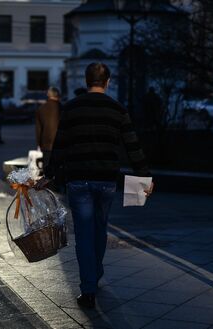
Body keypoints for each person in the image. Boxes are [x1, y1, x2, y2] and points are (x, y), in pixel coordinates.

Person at [36, 63, 154, 309]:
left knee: (84, 235)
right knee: (100, 229)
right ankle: (96, 273)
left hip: (78, 180)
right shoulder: (118, 109)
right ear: (107, 81)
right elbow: (132, 145)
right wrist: (145, 176)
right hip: (106, 180)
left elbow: (60, 146)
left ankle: (88, 288)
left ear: (88, 80)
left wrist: (49, 174)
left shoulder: (71, 108)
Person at [35, 87, 62, 169]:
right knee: (59, 167)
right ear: (58, 95)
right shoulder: (63, 108)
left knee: (47, 167)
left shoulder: (41, 108)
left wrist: (39, 143)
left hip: (46, 143)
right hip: (60, 143)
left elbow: (38, 129)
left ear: (48, 95)